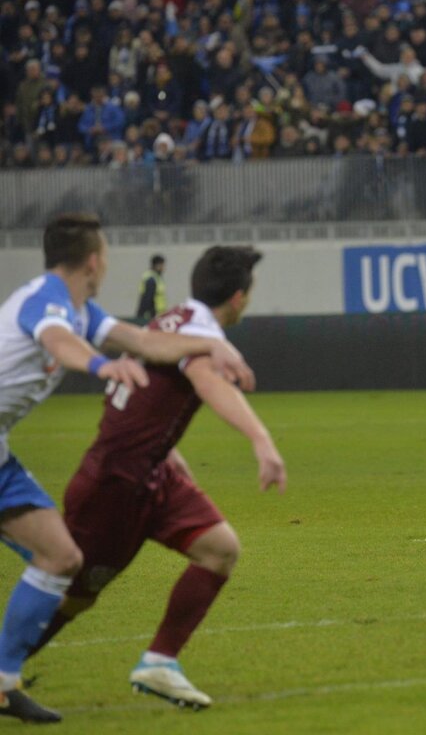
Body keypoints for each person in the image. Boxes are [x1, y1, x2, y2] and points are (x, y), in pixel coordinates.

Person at [0, 214, 253, 723]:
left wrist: (210, 344)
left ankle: (3, 683)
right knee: (58, 558)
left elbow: (145, 342)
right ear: (95, 261)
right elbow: (58, 342)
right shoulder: (47, 302)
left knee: (61, 557)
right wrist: (100, 364)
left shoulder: (81, 310)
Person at [136, 254, 167, 321]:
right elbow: (148, 299)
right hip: (153, 315)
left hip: (159, 314)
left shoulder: (156, 277)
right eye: (162, 265)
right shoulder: (151, 279)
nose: (164, 268)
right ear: (157, 265)